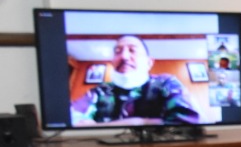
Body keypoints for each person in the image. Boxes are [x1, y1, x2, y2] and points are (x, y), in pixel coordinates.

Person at [72, 35, 202, 127]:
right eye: (118, 52)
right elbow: (72, 122)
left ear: (148, 62)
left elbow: (189, 123)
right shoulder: (100, 91)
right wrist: (147, 123)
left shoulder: (166, 82)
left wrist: (139, 123)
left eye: (132, 50)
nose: (124, 56)